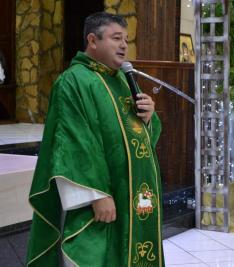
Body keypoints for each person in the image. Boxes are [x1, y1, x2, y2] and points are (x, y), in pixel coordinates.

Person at [26, 12, 164, 267]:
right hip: (103, 197)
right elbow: (73, 141)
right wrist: (96, 195)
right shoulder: (74, 81)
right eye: (116, 38)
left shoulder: (122, 80)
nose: (124, 45)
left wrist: (148, 118)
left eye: (125, 39)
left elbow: (142, 140)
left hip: (133, 194)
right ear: (93, 40)